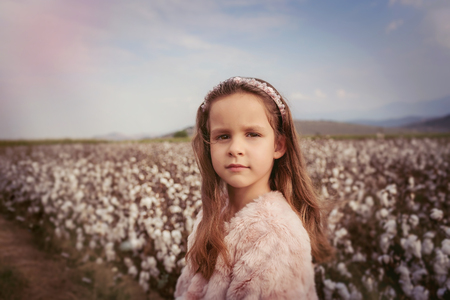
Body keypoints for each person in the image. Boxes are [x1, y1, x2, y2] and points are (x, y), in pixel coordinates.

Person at [175, 77, 333, 299]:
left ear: (278, 145)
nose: (235, 148)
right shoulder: (211, 214)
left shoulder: (277, 236)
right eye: (222, 136)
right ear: (208, 145)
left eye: (252, 134)